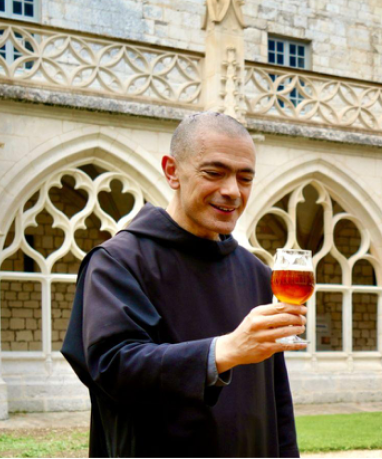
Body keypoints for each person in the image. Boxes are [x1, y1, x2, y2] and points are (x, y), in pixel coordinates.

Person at [62, 112, 305, 458]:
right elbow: (112, 366)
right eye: (214, 173)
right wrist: (222, 351)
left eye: (245, 178)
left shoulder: (255, 272)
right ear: (172, 171)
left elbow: (276, 395)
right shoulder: (118, 262)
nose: (232, 191)